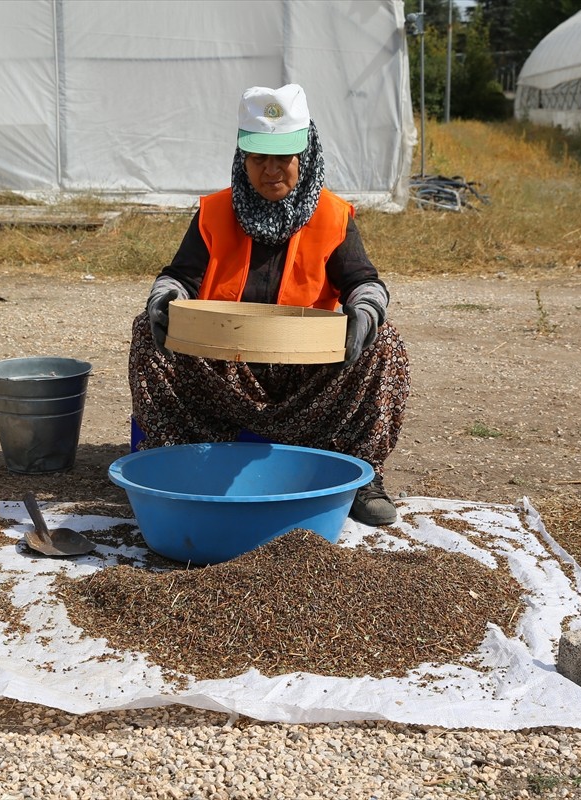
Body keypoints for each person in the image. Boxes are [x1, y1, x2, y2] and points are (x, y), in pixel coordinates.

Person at [127, 83, 411, 526]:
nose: (271, 170)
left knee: (384, 342)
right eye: (259, 158)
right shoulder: (214, 212)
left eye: (284, 158)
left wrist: (364, 312)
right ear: (243, 158)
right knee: (148, 328)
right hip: (224, 371)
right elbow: (179, 277)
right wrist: (165, 299)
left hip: (306, 377)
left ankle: (361, 475)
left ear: (306, 156)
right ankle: (182, 464)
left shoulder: (332, 216)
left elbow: (364, 282)